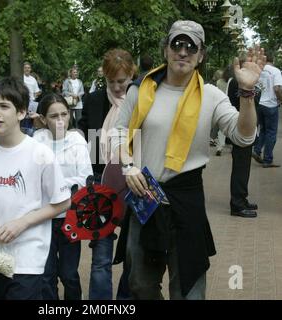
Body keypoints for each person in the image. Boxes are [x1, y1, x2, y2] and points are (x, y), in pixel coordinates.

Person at [113, 20, 265, 299]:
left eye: (191, 47)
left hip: (187, 198)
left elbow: (244, 136)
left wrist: (246, 94)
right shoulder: (141, 90)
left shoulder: (211, 96)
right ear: (166, 50)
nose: (183, 52)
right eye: (177, 44)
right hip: (145, 195)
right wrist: (127, 166)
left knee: (189, 289)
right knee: (139, 284)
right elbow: (118, 133)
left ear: (200, 55)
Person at [0, 77, 71, 300]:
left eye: (3, 106)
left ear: (21, 112)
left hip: (27, 258)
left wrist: (22, 223)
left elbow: (63, 202)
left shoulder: (40, 154)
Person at [78, 48, 136, 300]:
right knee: (101, 257)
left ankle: (125, 300)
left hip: (136, 185)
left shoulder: (143, 103)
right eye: (110, 81)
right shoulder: (93, 101)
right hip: (100, 185)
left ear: (132, 73)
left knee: (134, 255)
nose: (116, 87)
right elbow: (83, 138)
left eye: (121, 81)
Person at [33, 93, 93, 300]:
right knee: (46, 276)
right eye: (53, 116)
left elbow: (85, 179)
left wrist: (56, 185)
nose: (60, 121)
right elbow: (34, 179)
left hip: (70, 218)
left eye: (64, 114)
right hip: (43, 219)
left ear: (69, 115)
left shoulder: (77, 140)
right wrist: (65, 184)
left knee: (69, 274)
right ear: (43, 119)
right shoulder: (37, 141)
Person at [227, 62, 259, 218]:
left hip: (247, 129)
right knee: (240, 167)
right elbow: (235, 104)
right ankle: (237, 204)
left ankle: (242, 199)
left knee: (244, 167)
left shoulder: (245, 80)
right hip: (240, 128)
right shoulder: (236, 81)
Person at [252, 53, 282, 168]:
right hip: (271, 105)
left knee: (263, 130)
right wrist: (281, 99)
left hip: (261, 105)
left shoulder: (261, 71)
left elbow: (257, 88)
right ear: (273, 59)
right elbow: (277, 88)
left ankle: (257, 150)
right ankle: (267, 160)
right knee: (271, 133)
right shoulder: (276, 71)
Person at [21, 62, 42, 136]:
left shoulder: (33, 79)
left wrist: (37, 94)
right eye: (25, 67)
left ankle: (30, 134)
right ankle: (22, 133)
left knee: (31, 118)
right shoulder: (21, 77)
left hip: (32, 101)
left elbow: (37, 90)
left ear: (30, 69)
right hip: (23, 101)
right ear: (23, 69)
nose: (27, 69)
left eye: (28, 68)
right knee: (23, 117)